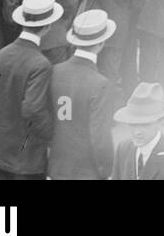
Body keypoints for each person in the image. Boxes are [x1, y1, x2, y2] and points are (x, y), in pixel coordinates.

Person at [0, 0, 61, 180]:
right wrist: (51, 133)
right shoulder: (40, 63)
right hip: (25, 160)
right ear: (48, 26)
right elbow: (33, 109)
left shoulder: (2, 54)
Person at [48, 10, 118, 181]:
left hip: (56, 167)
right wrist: (106, 169)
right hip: (87, 171)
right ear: (101, 43)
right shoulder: (100, 83)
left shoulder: (54, 71)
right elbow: (100, 135)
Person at [111, 82, 164, 180]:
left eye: (145, 125)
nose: (137, 132)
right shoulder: (123, 148)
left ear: (161, 122)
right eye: (132, 124)